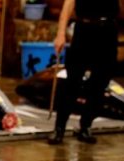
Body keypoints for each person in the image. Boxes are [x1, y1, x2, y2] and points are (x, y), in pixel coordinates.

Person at [48, 0, 119, 145]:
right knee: (72, 81)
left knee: (100, 82)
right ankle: (59, 128)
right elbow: (69, 3)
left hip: (108, 31)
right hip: (84, 30)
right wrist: (61, 33)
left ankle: (86, 125)